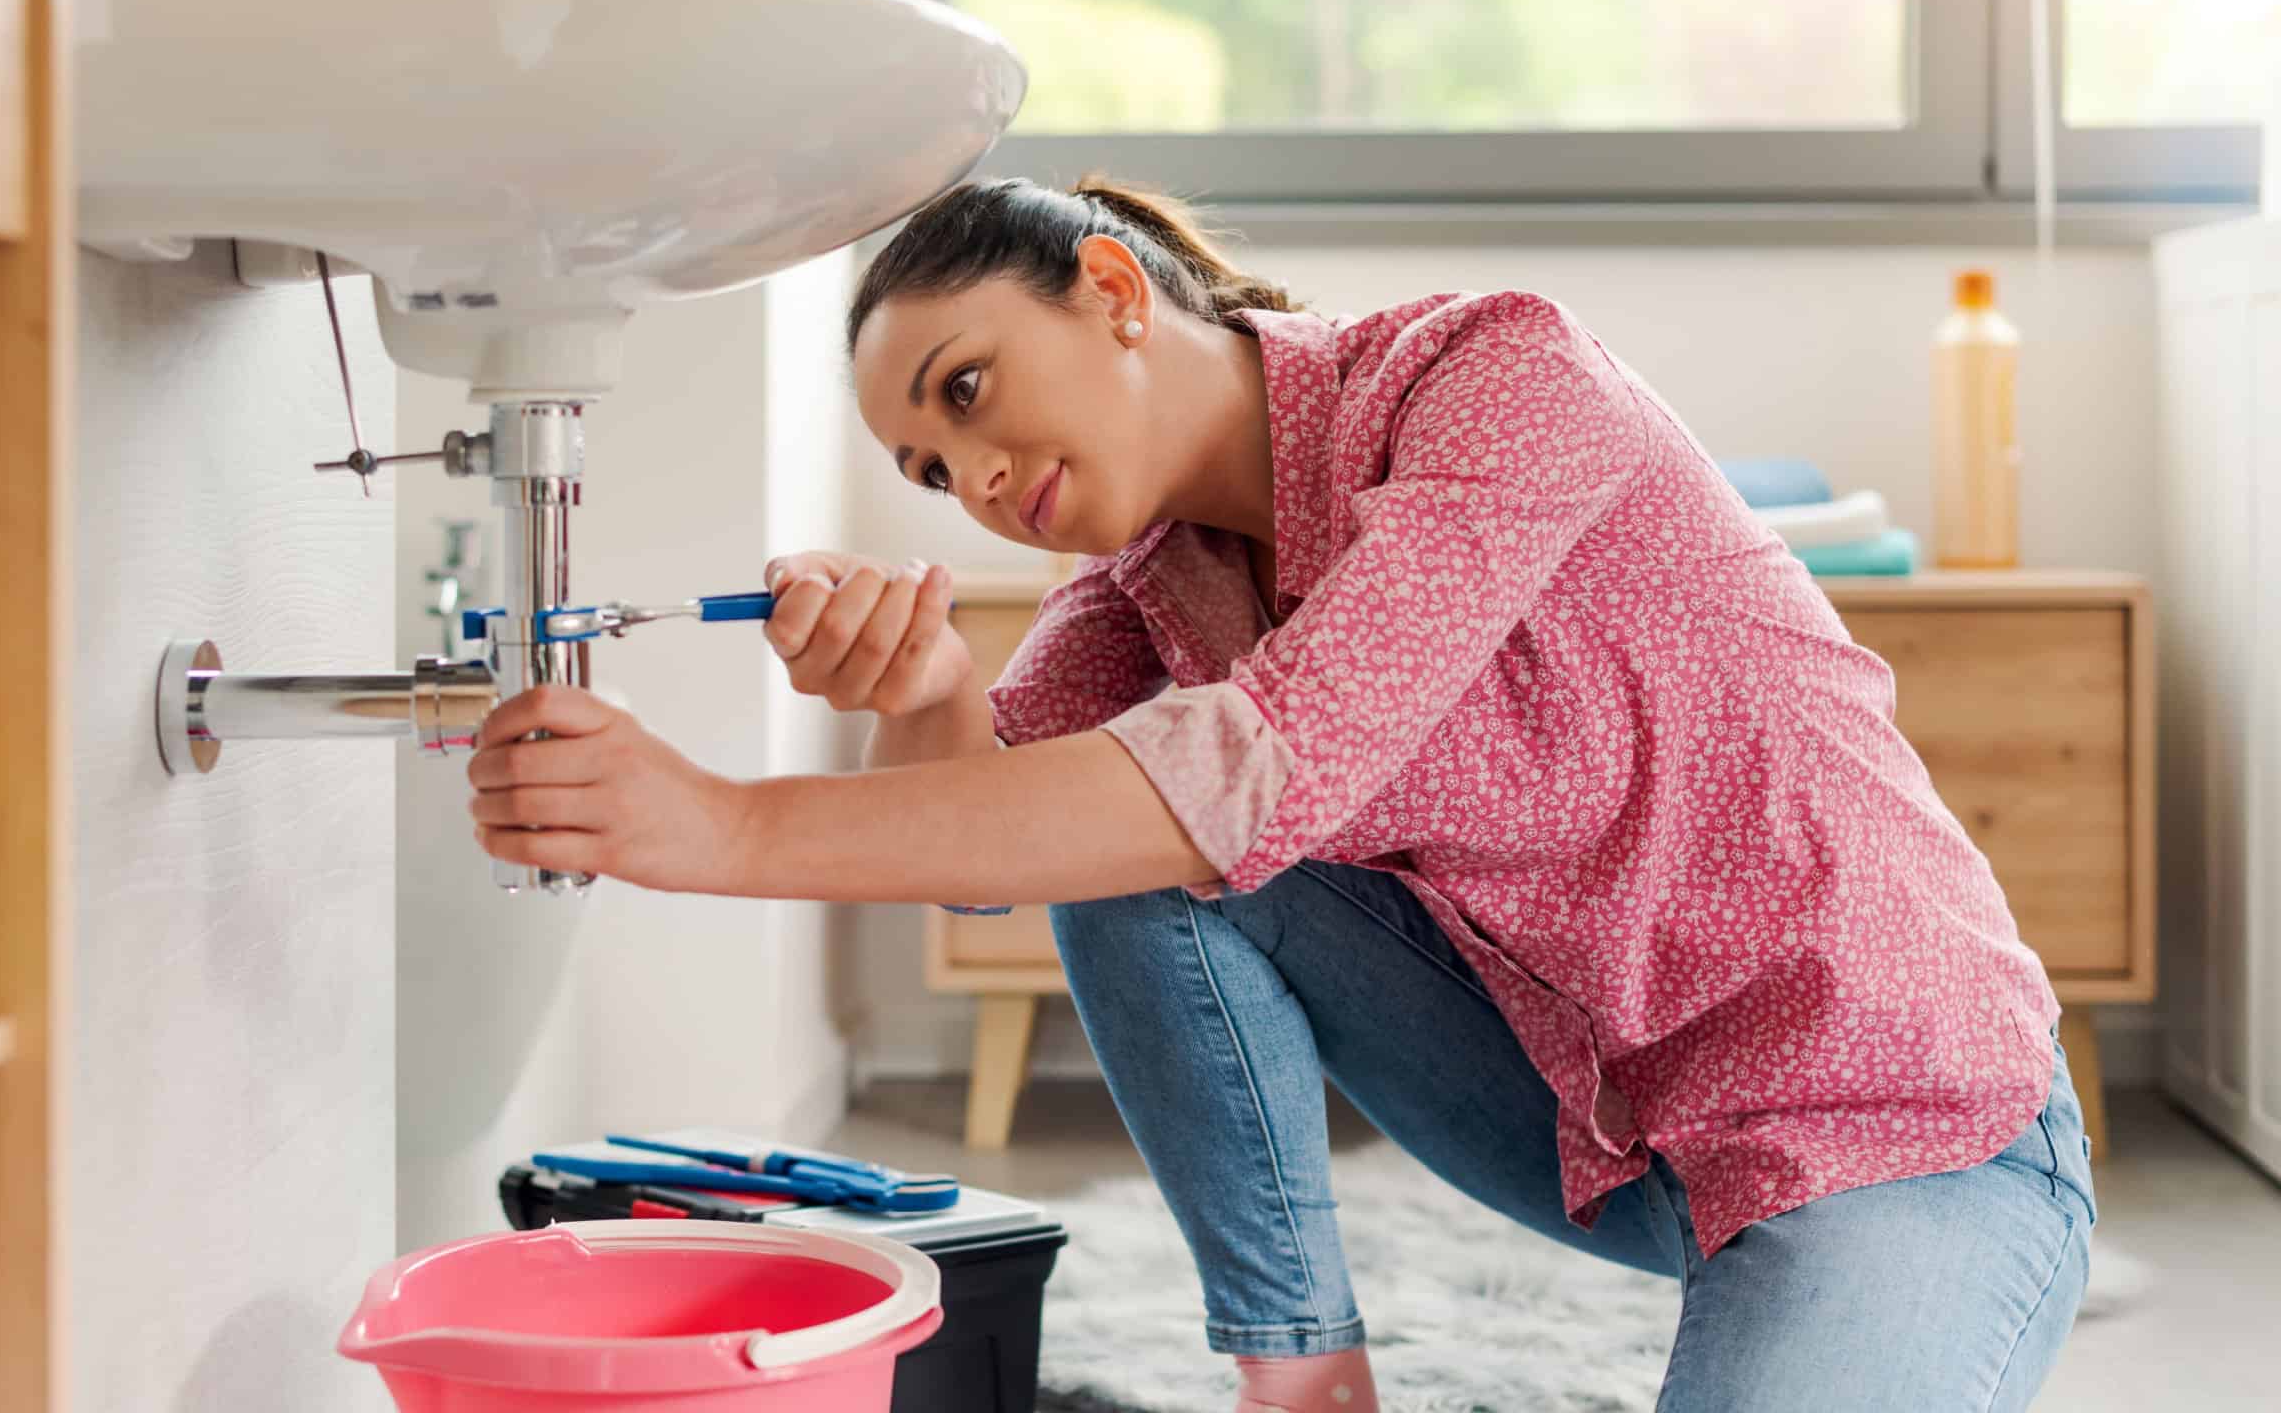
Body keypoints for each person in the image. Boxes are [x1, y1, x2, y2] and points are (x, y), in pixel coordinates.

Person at [463, 176, 2094, 1412]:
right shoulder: (1147, 585)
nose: (968, 485)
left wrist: (725, 826)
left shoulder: (1492, 375)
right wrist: (933, 695)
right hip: (1603, 1130)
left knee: (1168, 798)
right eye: (926, 474)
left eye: (965, 394)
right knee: (1117, 831)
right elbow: (994, 849)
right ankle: (1302, 1376)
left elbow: (1244, 774)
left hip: (1900, 1126)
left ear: (1111, 287)